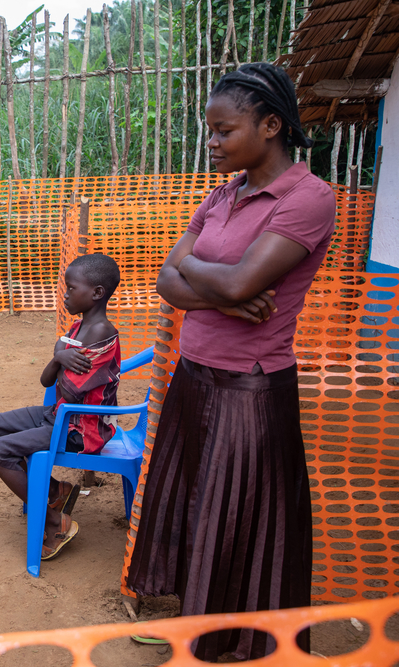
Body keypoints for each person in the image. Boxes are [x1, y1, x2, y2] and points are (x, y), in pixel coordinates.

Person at [125, 63, 334, 661]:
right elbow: (169, 278)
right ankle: (195, 624)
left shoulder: (308, 197)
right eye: (208, 132)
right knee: (197, 506)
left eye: (223, 131)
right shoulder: (223, 195)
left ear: (271, 125)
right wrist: (220, 285)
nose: (211, 144)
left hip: (251, 387)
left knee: (242, 519)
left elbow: (238, 280)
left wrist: (206, 274)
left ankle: (235, 642)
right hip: (194, 376)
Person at [0, 253, 121, 561]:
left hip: (82, 429)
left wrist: (60, 352)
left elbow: (69, 390)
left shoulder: (101, 333)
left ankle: (56, 523)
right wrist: (59, 355)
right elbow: (47, 380)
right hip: (61, 416)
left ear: (97, 293)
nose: (66, 294)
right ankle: (56, 491)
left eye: (72, 288)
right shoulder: (76, 328)